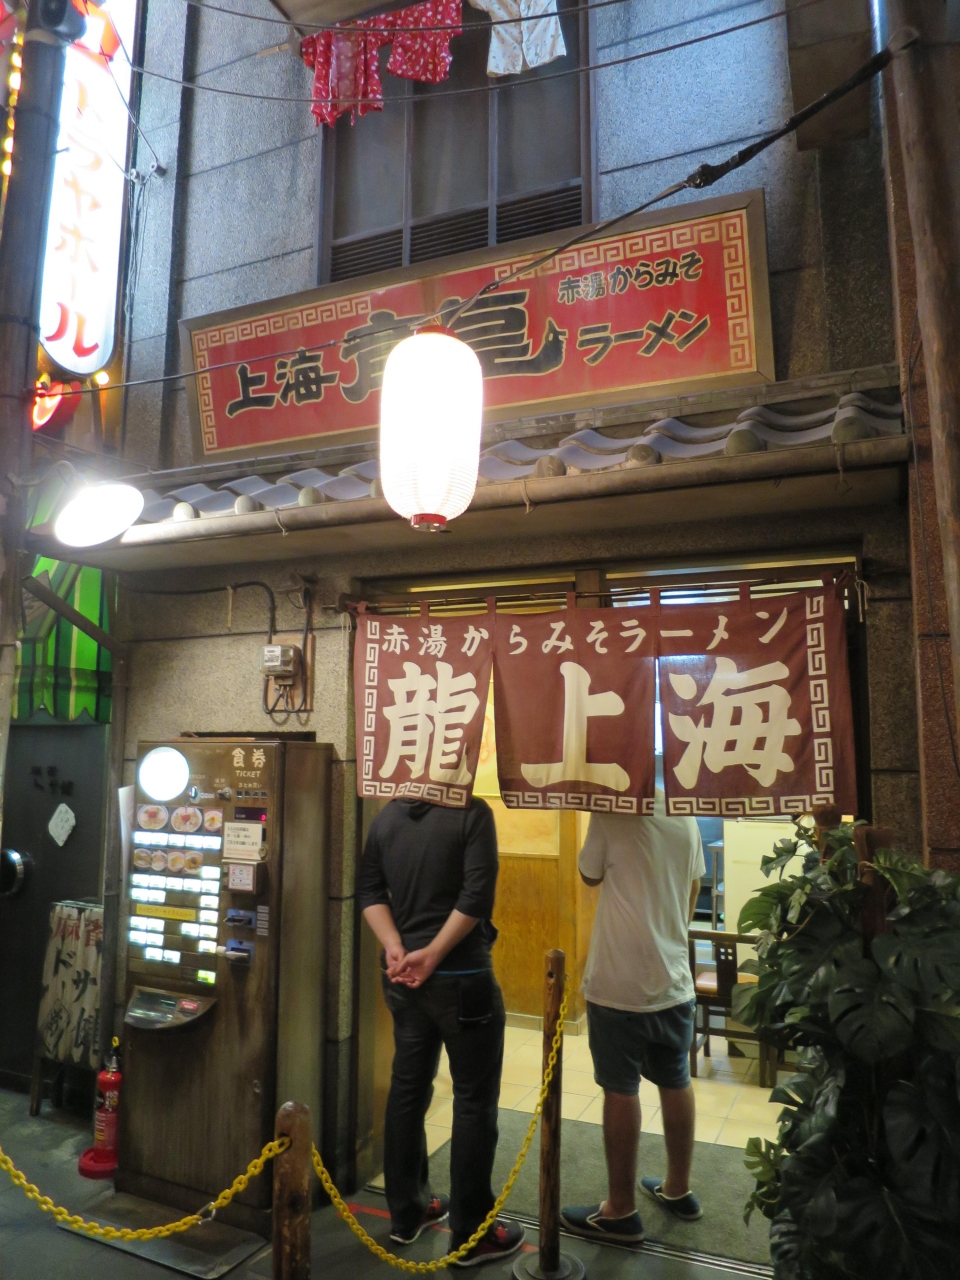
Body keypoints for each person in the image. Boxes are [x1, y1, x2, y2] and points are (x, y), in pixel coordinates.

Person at [358, 796, 525, 1266]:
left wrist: (396, 946)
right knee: (474, 1101)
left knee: (408, 1089)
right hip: (462, 979)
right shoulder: (472, 813)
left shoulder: (388, 815)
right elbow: (476, 897)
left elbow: (369, 889)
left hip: (402, 978)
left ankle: (407, 1213)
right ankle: (471, 1234)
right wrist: (431, 954)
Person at [561, 790, 705, 1243]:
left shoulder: (611, 810)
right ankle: (678, 1188)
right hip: (674, 980)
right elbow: (694, 886)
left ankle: (620, 1209)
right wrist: (670, 938)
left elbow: (588, 874)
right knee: (676, 1078)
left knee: (620, 1088)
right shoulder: (685, 813)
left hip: (618, 984)